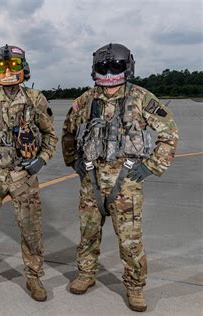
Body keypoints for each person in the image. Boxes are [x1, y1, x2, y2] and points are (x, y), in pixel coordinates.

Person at [62, 43, 178, 312]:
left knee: (130, 241)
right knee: (88, 235)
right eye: (104, 67)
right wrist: (74, 161)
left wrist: (150, 166)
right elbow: (68, 132)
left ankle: (135, 287)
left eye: (116, 66)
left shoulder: (140, 98)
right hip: (91, 181)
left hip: (126, 183)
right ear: (95, 69)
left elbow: (169, 134)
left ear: (127, 68)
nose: (110, 72)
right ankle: (86, 274)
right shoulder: (85, 100)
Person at [0, 44, 58, 301]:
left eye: (13, 66)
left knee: (31, 230)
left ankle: (34, 278)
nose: (7, 72)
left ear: (23, 69)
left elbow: (50, 136)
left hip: (22, 177)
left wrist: (42, 160)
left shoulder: (35, 99)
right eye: (1, 67)